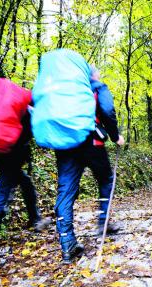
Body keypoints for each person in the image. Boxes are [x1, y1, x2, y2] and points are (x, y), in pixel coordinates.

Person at [52, 65, 125, 264]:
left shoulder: (63, 90)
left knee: (65, 191)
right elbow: (107, 110)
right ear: (93, 74)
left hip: (66, 145)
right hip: (92, 143)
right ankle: (103, 222)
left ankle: (67, 244)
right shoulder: (96, 86)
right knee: (106, 180)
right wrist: (115, 135)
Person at [0, 113, 51, 261]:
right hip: (10, 157)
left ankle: (35, 219)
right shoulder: (25, 113)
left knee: (25, 183)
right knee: (2, 196)